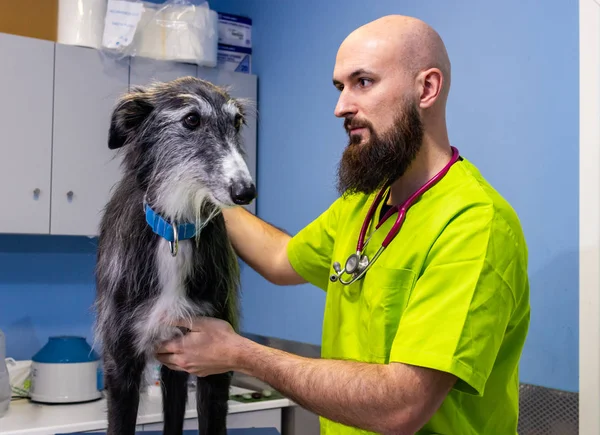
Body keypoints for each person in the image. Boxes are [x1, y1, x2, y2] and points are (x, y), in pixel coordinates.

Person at [156, 14, 531, 435]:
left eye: (363, 82)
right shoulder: (364, 204)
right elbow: (280, 257)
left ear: (426, 88)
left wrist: (242, 354)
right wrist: (205, 189)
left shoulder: (475, 225)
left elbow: (402, 406)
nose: (341, 107)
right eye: (340, 87)